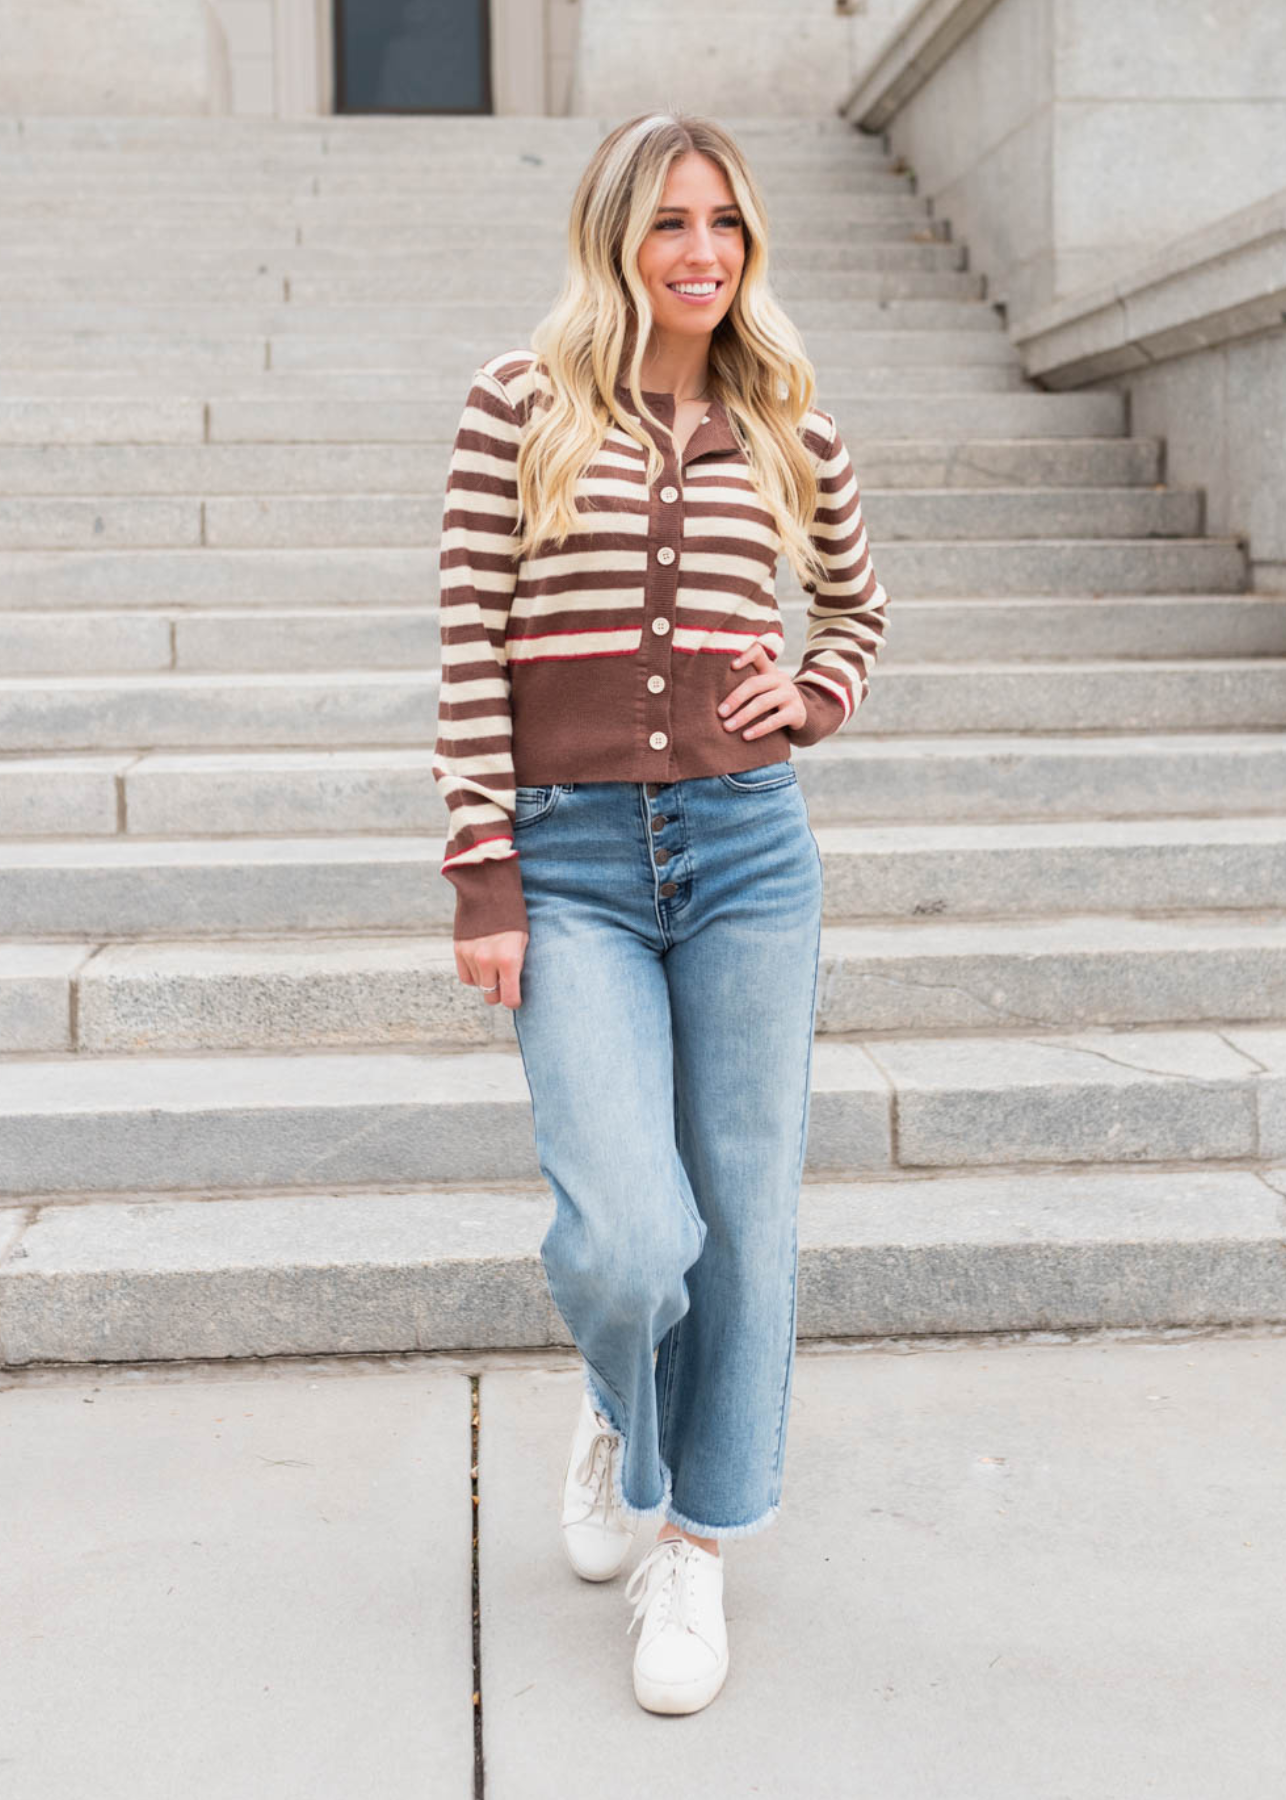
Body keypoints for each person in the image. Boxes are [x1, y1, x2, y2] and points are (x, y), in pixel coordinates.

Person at [431, 110, 889, 1715]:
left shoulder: (788, 425)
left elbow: (856, 601)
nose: (701, 252)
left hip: (748, 849)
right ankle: (619, 1396)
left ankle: (694, 1545)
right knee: (630, 1232)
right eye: (668, 223)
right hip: (568, 869)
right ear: (613, 235)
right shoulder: (518, 406)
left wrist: (811, 693)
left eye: (726, 225)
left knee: (745, 1209)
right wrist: (483, 874)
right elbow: (465, 652)